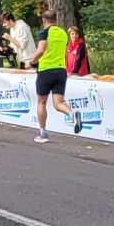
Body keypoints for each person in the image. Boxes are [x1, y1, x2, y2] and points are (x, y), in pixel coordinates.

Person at [31, 10, 77, 143]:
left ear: (43, 20)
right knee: (58, 103)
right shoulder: (63, 33)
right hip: (61, 70)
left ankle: (43, 133)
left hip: (46, 70)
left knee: (42, 102)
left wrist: (31, 62)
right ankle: (72, 114)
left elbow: (41, 50)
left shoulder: (44, 32)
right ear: (56, 19)